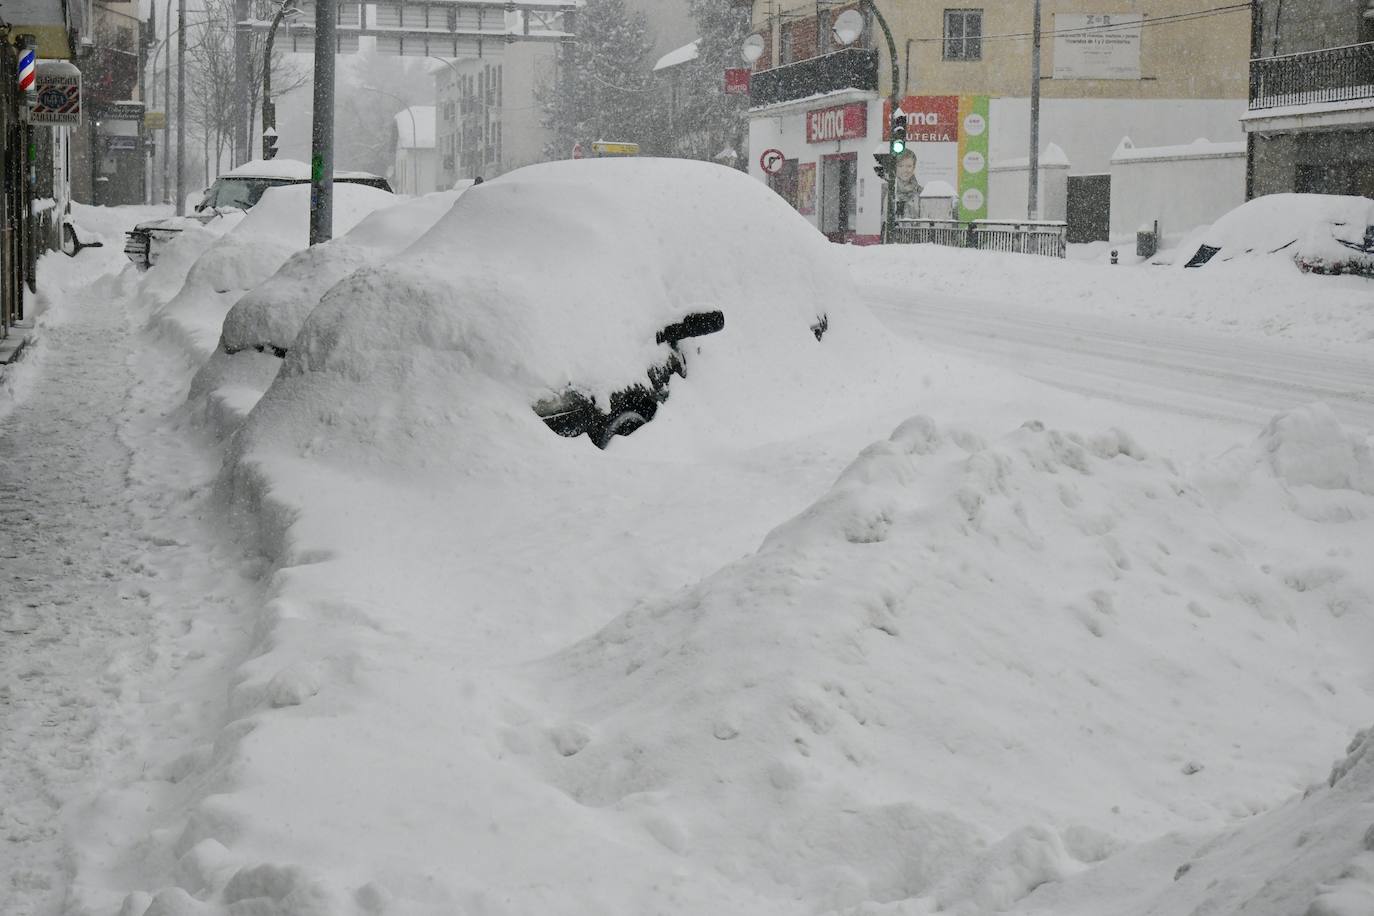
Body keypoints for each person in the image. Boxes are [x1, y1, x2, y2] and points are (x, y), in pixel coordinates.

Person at [891, 150, 921, 219]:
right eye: (901, 166)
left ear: (914, 168)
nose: (905, 170)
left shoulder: (921, 193)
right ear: (895, 168)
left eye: (909, 166)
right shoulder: (887, 191)